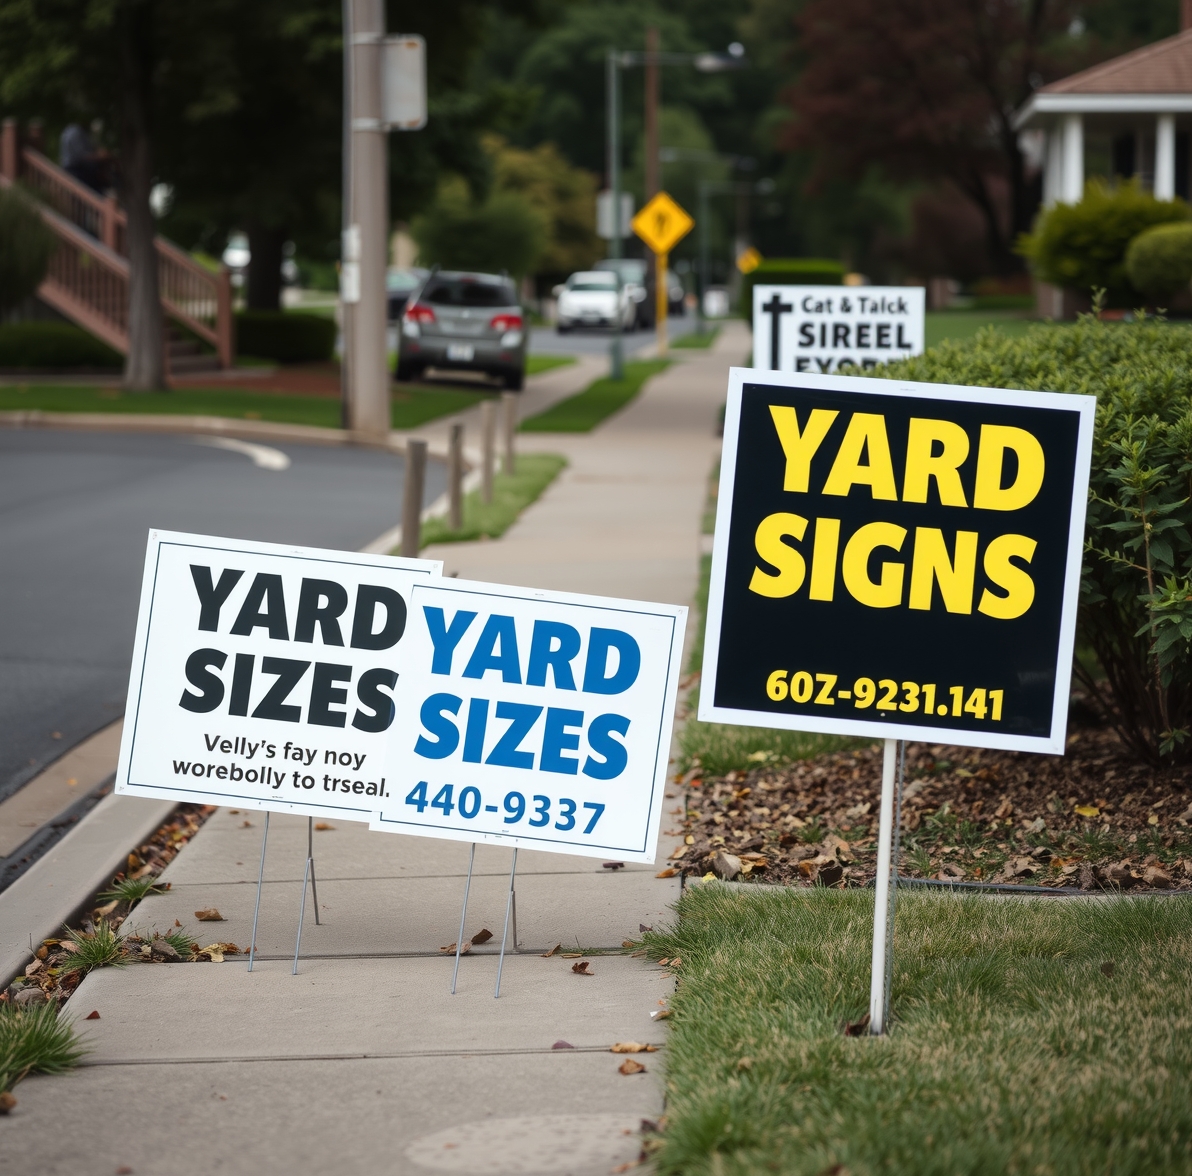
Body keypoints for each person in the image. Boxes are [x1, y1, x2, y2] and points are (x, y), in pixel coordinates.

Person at [58, 122, 107, 192]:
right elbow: (82, 155)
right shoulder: (76, 131)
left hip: (72, 169)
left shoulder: (67, 131)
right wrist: (101, 157)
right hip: (76, 170)